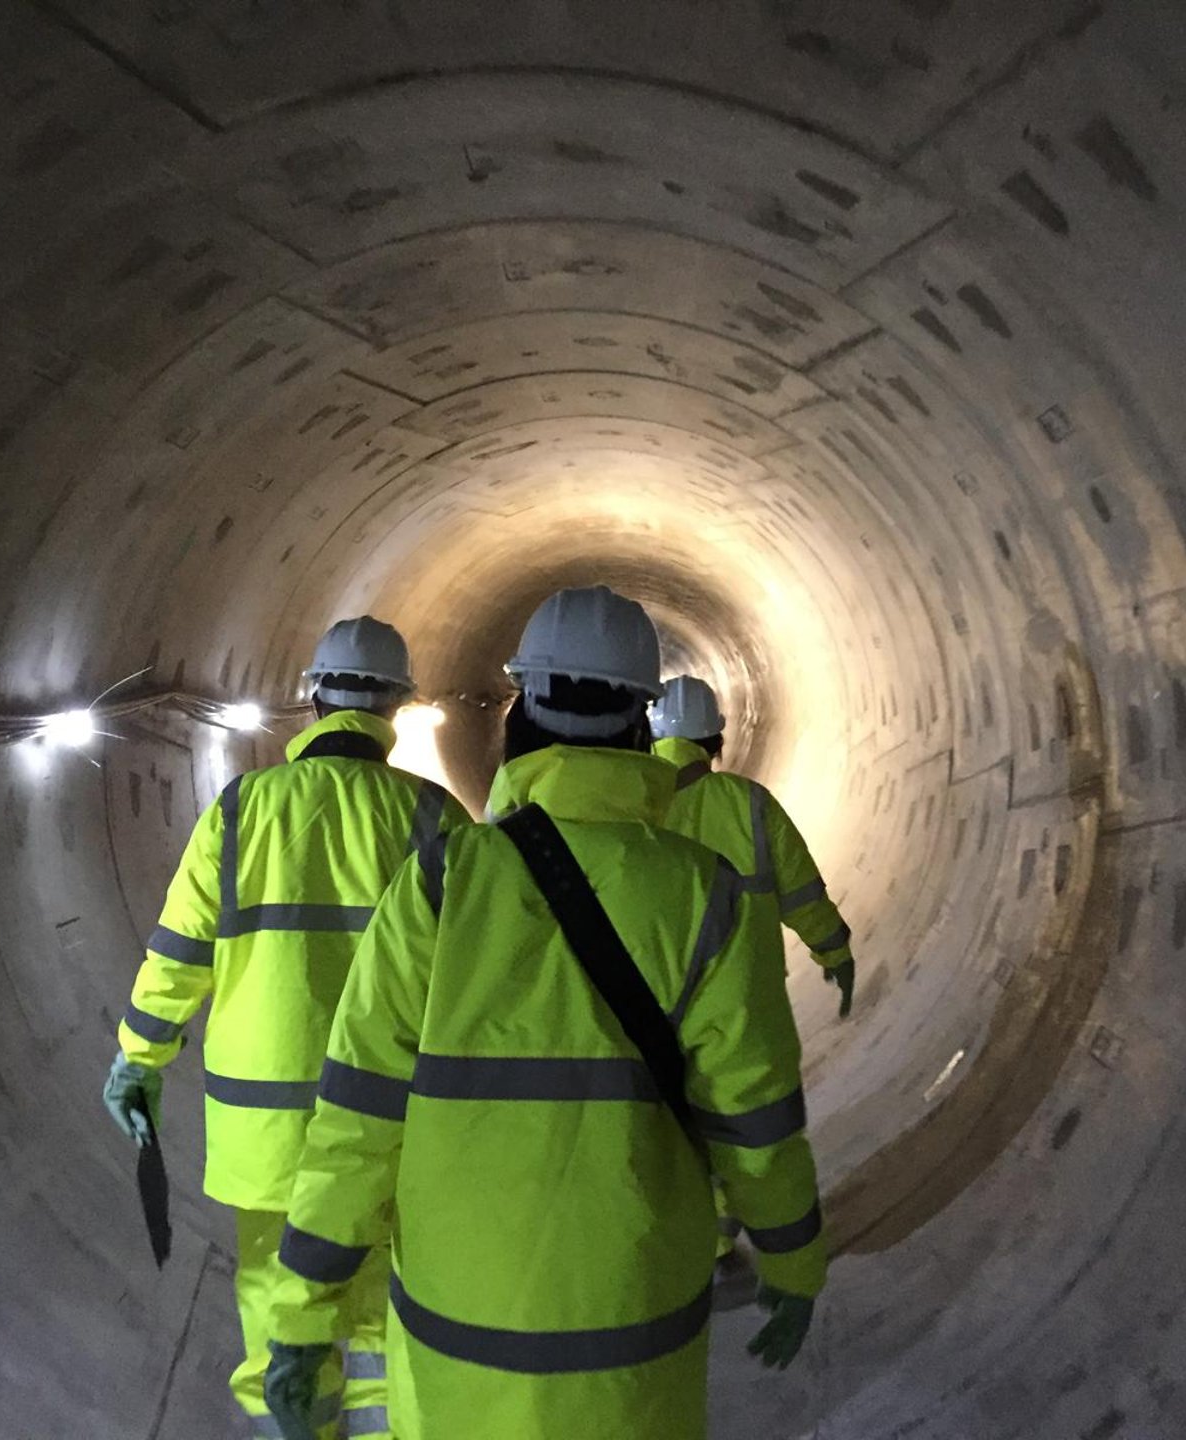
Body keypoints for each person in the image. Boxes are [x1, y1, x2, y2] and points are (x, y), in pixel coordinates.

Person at [262, 586, 825, 1440]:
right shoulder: (704, 895)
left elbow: (357, 1121)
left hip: (457, 1334)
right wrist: (793, 1262)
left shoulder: (444, 881)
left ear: (519, 715)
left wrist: (303, 1316)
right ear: (641, 727)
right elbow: (758, 1118)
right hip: (634, 1338)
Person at [101, 617, 472, 1440]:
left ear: (313, 698)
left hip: (262, 1124)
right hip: (387, 1121)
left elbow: (180, 949)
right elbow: (475, 978)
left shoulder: (241, 811)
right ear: (395, 707)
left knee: (274, 1298)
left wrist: (139, 1057)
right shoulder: (431, 817)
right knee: (380, 1305)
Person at [650, 675, 858, 1020]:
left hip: (656, 1013)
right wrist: (835, 952)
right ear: (715, 740)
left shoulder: (630, 804)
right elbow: (800, 892)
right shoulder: (749, 802)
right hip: (750, 1010)